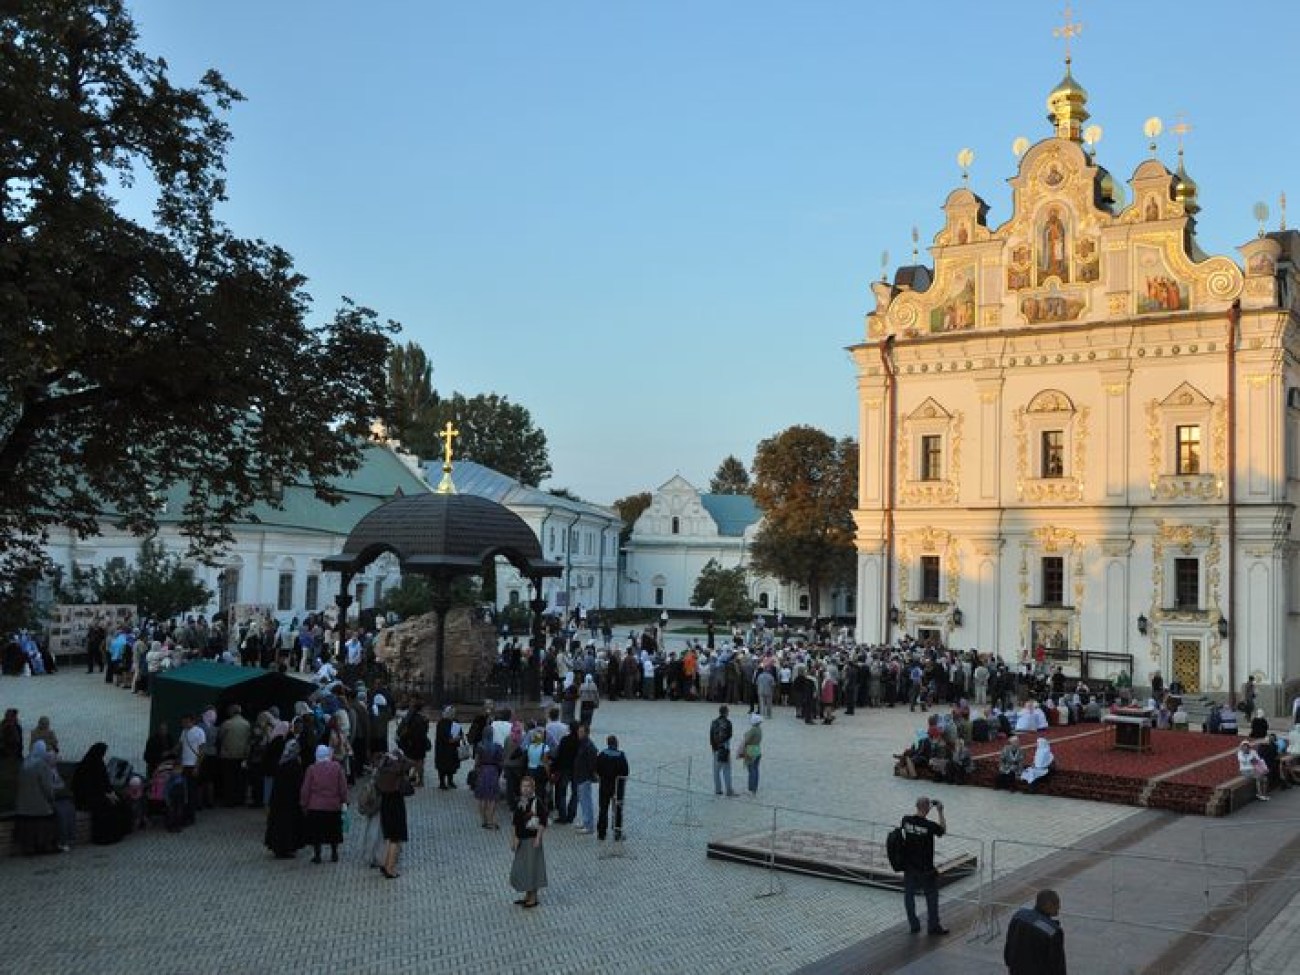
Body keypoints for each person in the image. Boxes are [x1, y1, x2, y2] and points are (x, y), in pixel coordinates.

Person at [901, 796, 948, 935]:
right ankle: (933, 926)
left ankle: (914, 925)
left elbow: (909, 827)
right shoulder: (930, 826)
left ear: (916, 806)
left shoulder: (905, 820)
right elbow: (942, 830)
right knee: (932, 896)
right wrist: (940, 811)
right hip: (926, 869)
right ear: (928, 808)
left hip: (909, 867)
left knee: (909, 896)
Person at [71, 742, 131, 844]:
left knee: (120, 802)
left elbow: (105, 782)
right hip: (87, 797)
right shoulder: (86, 767)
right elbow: (87, 787)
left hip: (100, 793)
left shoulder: (99, 764)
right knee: (107, 807)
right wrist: (106, 795)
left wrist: (111, 793)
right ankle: (105, 836)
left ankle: (121, 831)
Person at [299, 743, 349, 862]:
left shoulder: (312, 769)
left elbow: (306, 789)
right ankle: (334, 853)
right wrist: (344, 800)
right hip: (333, 806)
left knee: (317, 833)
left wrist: (304, 803)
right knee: (333, 831)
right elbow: (342, 786)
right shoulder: (336, 767)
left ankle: (317, 855)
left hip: (315, 806)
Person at [1004, 889, 1067, 975]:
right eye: (1056, 903)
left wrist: (1011, 964)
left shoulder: (1018, 916)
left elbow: (1009, 944)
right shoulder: (1053, 931)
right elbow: (1057, 965)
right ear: (1048, 905)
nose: (1059, 907)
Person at [12, 740, 59, 854]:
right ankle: (46, 845)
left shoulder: (25, 763)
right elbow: (47, 787)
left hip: (23, 806)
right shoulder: (42, 765)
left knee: (28, 825)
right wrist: (52, 799)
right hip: (40, 805)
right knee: (51, 818)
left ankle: (29, 847)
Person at [509, 774, 548, 909]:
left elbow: (543, 821)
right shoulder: (520, 801)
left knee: (532, 868)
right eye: (523, 786)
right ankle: (527, 894)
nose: (525, 789)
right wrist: (514, 837)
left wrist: (538, 838)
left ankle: (533, 897)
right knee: (522, 868)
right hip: (521, 840)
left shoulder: (537, 802)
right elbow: (515, 822)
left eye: (528, 786)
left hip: (531, 840)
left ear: (533, 788)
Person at [374, 746, 413, 879]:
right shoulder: (397, 770)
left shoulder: (383, 770)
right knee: (396, 838)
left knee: (389, 836)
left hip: (385, 804)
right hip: (396, 804)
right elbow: (409, 763)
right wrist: (400, 758)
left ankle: (385, 863)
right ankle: (390, 868)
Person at [264, 739, 305, 859]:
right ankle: (287, 848)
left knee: (279, 825)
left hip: (279, 801)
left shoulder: (281, 764)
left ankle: (279, 847)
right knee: (288, 826)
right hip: (291, 802)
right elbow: (298, 784)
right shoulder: (295, 766)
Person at [595, 734, 629, 842]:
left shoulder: (602, 755)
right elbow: (626, 772)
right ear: (616, 743)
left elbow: (597, 769)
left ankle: (601, 832)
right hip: (617, 786)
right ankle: (617, 831)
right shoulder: (621, 756)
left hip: (604, 785)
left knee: (603, 809)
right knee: (617, 809)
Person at [570, 723, 599, 834]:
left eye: (581, 732)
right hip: (580, 776)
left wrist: (591, 774)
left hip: (584, 777)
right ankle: (585, 821)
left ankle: (589, 825)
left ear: (586, 733)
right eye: (579, 731)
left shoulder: (589, 746)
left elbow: (592, 762)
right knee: (583, 801)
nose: (579, 733)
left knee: (586, 801)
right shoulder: (583, 743)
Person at [474, 730, 504, 830]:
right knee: (492, 798)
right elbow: (500, 761)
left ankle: (484, 820)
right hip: (493, 771)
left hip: (482, 771)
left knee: (482, 797)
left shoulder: (480, 746)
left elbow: (476, 761)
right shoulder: (497, 746)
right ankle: (491, 819)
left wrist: (477, 771)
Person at [710, 705, 738, 797]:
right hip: (725, 749)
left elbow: (711, 737)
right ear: (726, 712)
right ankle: (729, 790)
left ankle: (718, 790)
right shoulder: (728, 723)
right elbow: (729, 735)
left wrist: (714, 748)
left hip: (716, 749)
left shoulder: (713, 722)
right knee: (727, 770)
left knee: (716, 771)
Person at [433, 705, 462, 790]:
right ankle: (442, 783)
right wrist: (452, 739)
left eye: (454, 713)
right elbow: (443, 736)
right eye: (451, 713)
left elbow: (460, 732)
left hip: (453, 748)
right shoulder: (441, 723)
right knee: (442, 766)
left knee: (452, 766)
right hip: (443, 749)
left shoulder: (455, 722)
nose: (453, 714)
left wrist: (459, 737)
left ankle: (450, 781)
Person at [738, 713, 763, 796]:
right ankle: (754, 788)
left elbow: (747, 739)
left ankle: (751, 789)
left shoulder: (753, 730)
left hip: (751, 750)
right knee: (755, 769)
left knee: (751, 770)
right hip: (757, 749)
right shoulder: (759, 729)